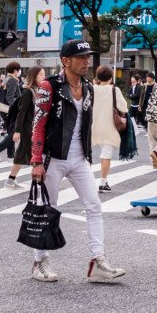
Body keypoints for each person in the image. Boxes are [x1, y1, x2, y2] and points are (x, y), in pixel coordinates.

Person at [28, 40, 126, 283]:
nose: (86, 62)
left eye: (88, 57)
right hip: (53, 157)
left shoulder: (88, 88)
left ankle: (98, 261)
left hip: (79, 157)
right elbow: (38, 125)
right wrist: (36, 160)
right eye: (81, 58)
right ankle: (39, 262)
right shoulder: (49, 87)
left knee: (93, 205)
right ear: (66, 61)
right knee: (46, 209)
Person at [2, 67, 43, 190]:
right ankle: (38, 182)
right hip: (27, 129)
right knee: (35, 155)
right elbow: (21, 113)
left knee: (21, 154)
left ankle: (10, 181)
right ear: (34, 76)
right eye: (41, 75)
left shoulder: (36, 90)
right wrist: (18, 131)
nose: (43, 77)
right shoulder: (27, 92)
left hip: (31, 127)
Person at [90, 65, 128, 193]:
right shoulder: (114, 90)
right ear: (111, 77)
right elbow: (124, 107)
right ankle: (103, 182)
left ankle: (86, 182)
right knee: (106, 155)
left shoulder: (93, 89)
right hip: (109, 126)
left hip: (94, 126)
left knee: (85, 154)